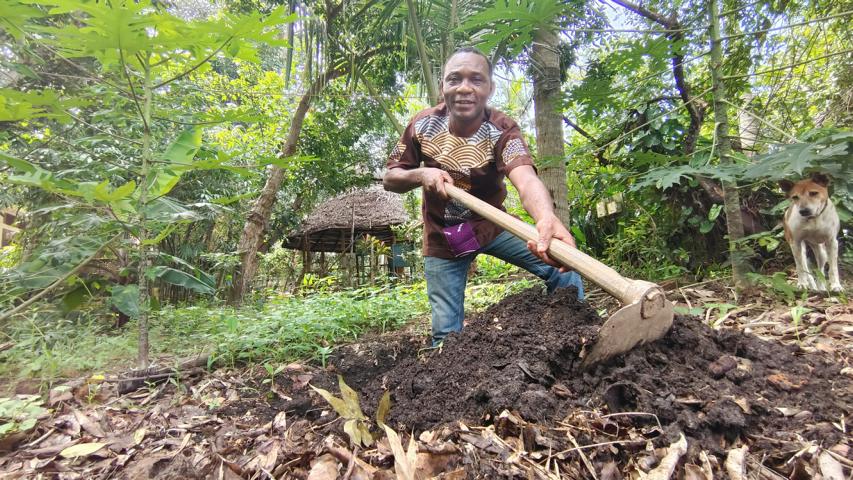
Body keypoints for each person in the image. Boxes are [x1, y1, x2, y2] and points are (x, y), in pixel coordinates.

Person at [383, 47, 584, 346]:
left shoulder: (502, 130)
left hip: (493, 227)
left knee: (564, 270)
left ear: (490, 88)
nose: (464, 88)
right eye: (455, 79)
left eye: (476, 80)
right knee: (445, 338)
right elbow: (391, 177)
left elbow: (526, 178)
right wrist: (422, 175)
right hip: (442, 239)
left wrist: (545, 218)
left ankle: (575, 340)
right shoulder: (422, 125)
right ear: (443, 87)